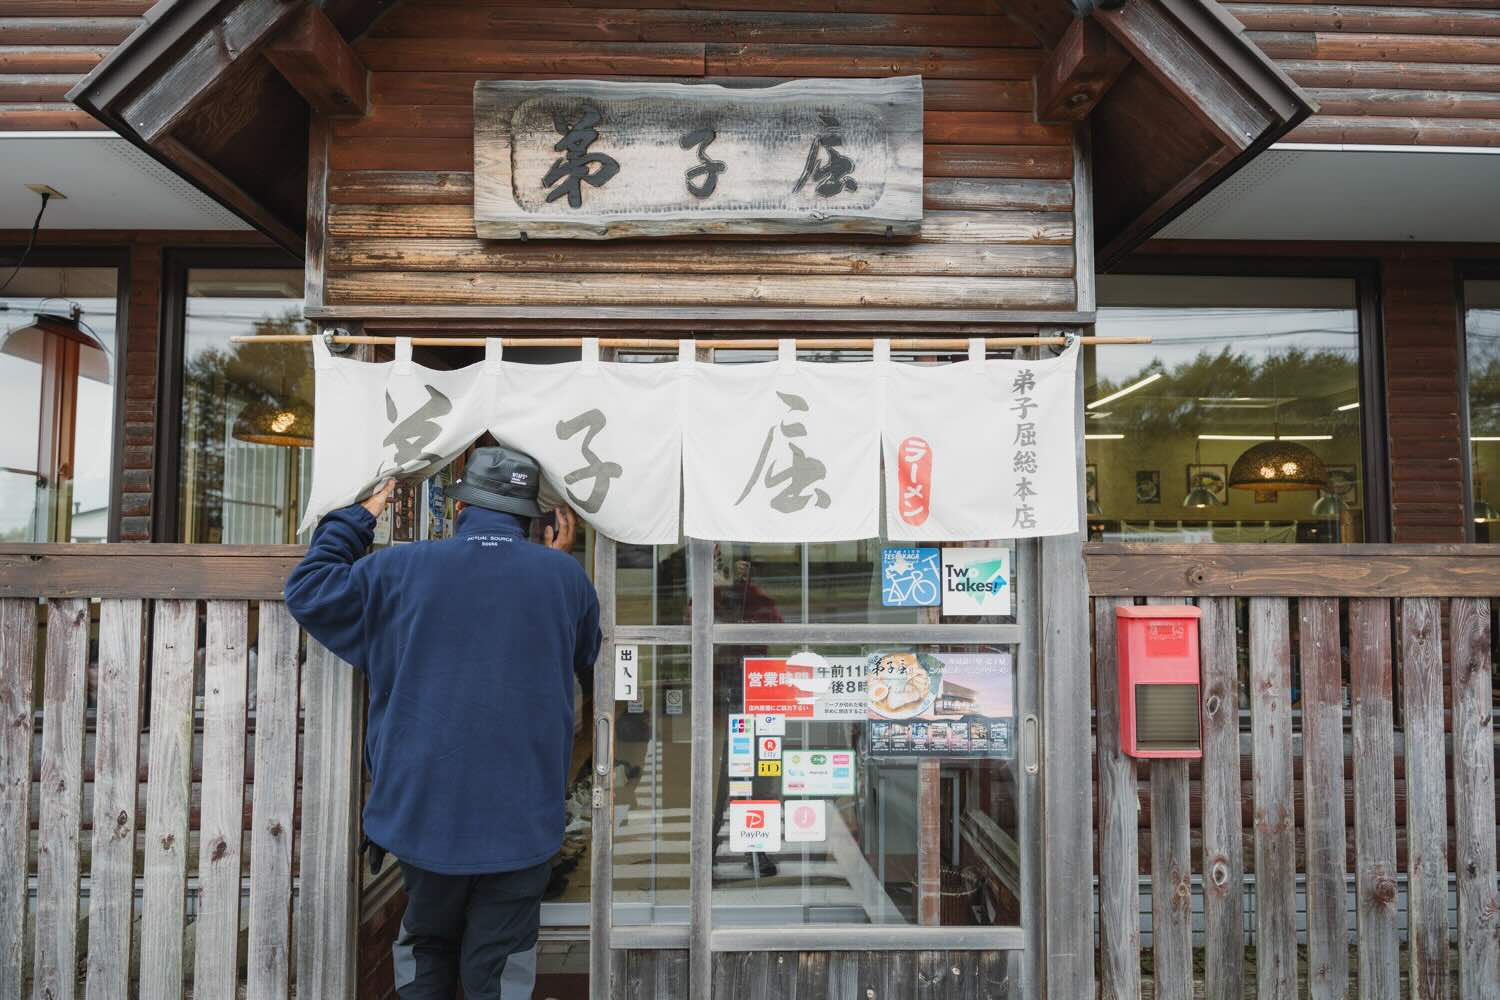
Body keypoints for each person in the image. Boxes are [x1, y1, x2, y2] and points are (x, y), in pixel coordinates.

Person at [284, 445, 601, 1000]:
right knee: (500, 963)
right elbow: (586, 653)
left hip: (422, 807)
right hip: (523, 812)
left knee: (426, 946)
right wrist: (557, 562)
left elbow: (309, 591)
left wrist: (362, 514)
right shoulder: (564, 578)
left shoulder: (399, 568)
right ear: (531, 519)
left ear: (459, 511)